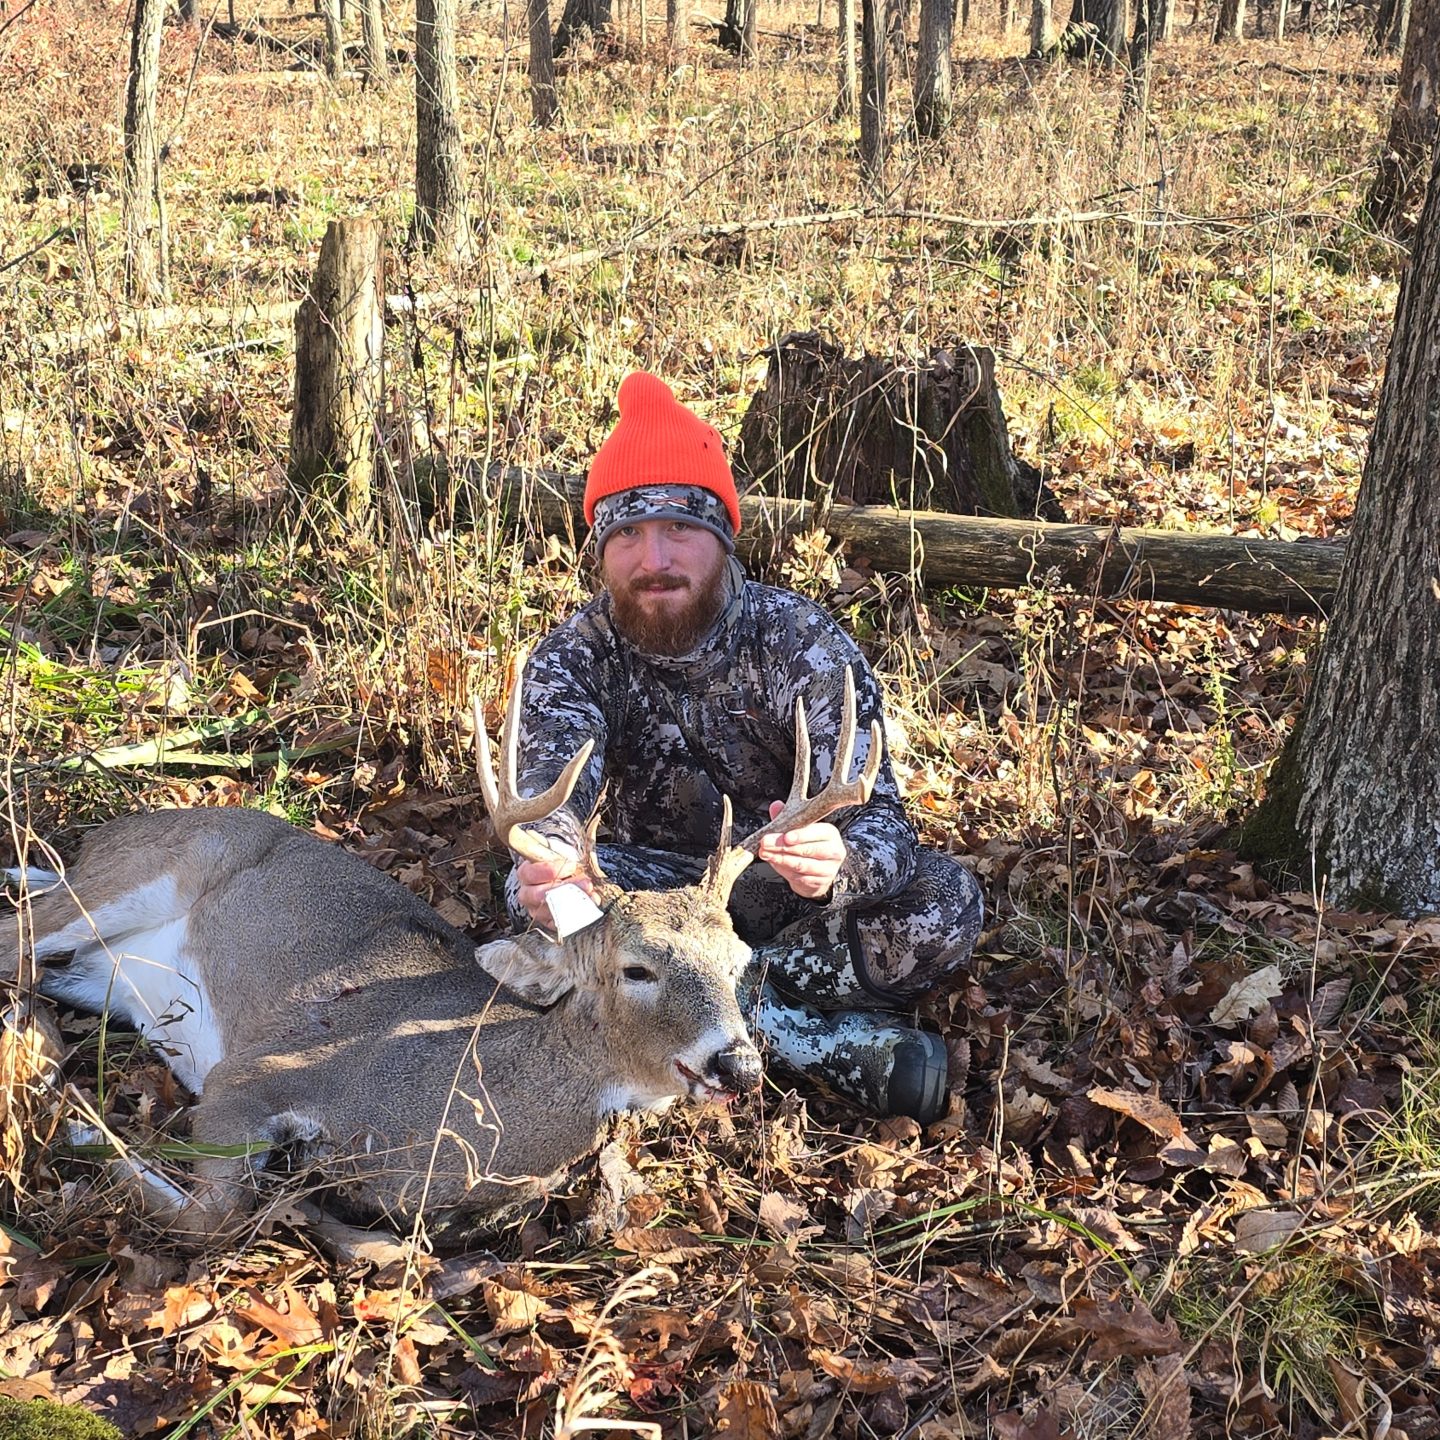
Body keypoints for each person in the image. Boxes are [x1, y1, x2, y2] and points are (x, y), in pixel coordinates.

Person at [504, 371, 983, 1124]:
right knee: (533, 904)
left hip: (774, 894)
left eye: (678, 528)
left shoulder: (802, 643)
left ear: (723, 538)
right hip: (645, 905)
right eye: (626, 533)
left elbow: (883, 822)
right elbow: (549, 811)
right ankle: (814, 1042)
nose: (653, 558)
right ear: (600, 550)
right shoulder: (572, 660)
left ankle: (704, 1017)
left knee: (944, 905)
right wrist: (550, 868)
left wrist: (839, 862)